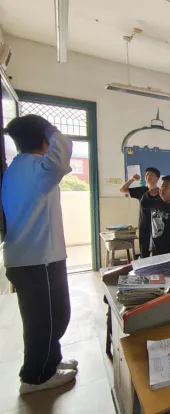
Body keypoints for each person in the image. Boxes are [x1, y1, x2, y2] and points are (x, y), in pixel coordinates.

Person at [2, 115, 78, 394]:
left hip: (35, 258)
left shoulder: (17, 168)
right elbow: (62, 152)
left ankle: (50, 361)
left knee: (47, 317)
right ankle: (35, 377)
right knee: (46, 320)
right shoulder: (36, 169)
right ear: (46, 141)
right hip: (39, 260)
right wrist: (49, 127)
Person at [141, 176, 170, 256]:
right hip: (155, 252)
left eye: (166, 186)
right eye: (161, 186)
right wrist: (149, 193)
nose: (162, 189)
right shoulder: (157, 202)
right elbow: (143, 203)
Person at [119, 166, 161, 258]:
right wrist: (132, 179)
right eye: (146, 175)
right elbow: (122, 190)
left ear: (157, 178)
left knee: (158, 252)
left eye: (151, 174)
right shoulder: (142, 190)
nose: (148, 176)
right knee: (144, 252)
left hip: (158, 226)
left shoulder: (161, 192)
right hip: (144, 225)